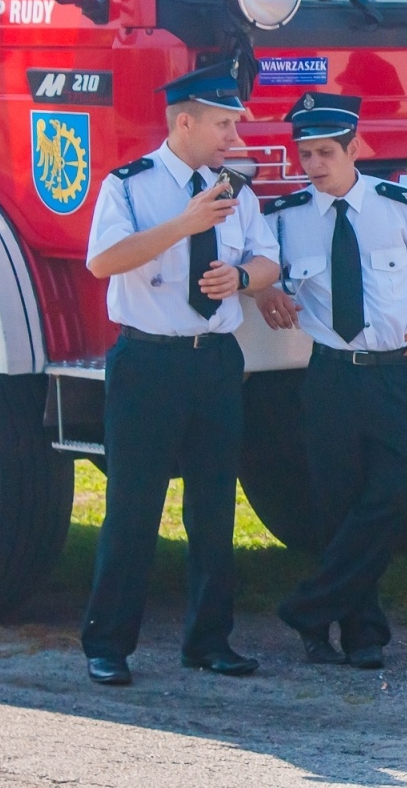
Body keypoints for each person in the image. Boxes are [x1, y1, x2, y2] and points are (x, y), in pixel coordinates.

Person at [255, 92, 407, 670]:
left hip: (393, 374)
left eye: (325, 153)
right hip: (330, 376)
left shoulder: (397, 205)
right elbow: (253, 262)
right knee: (337, 506)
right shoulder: (286, 217)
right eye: (304, 154)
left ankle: (309, 606)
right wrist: (263, 289)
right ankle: (356, 635)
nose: (313, 165)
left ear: (355, 148)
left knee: (391, 500)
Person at [81, 64, 282, 687]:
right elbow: (103, 261)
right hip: (149, 362)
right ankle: (109, 644)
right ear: (185, 122)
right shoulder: (130, 186)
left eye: (234, 124)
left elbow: (269, 258)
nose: (232, 136)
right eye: (223, 124)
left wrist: (243, 279)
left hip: (215, 361)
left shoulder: (236, 190)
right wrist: (183, 226)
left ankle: (209, 640)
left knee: (214, 508)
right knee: (134, 509)